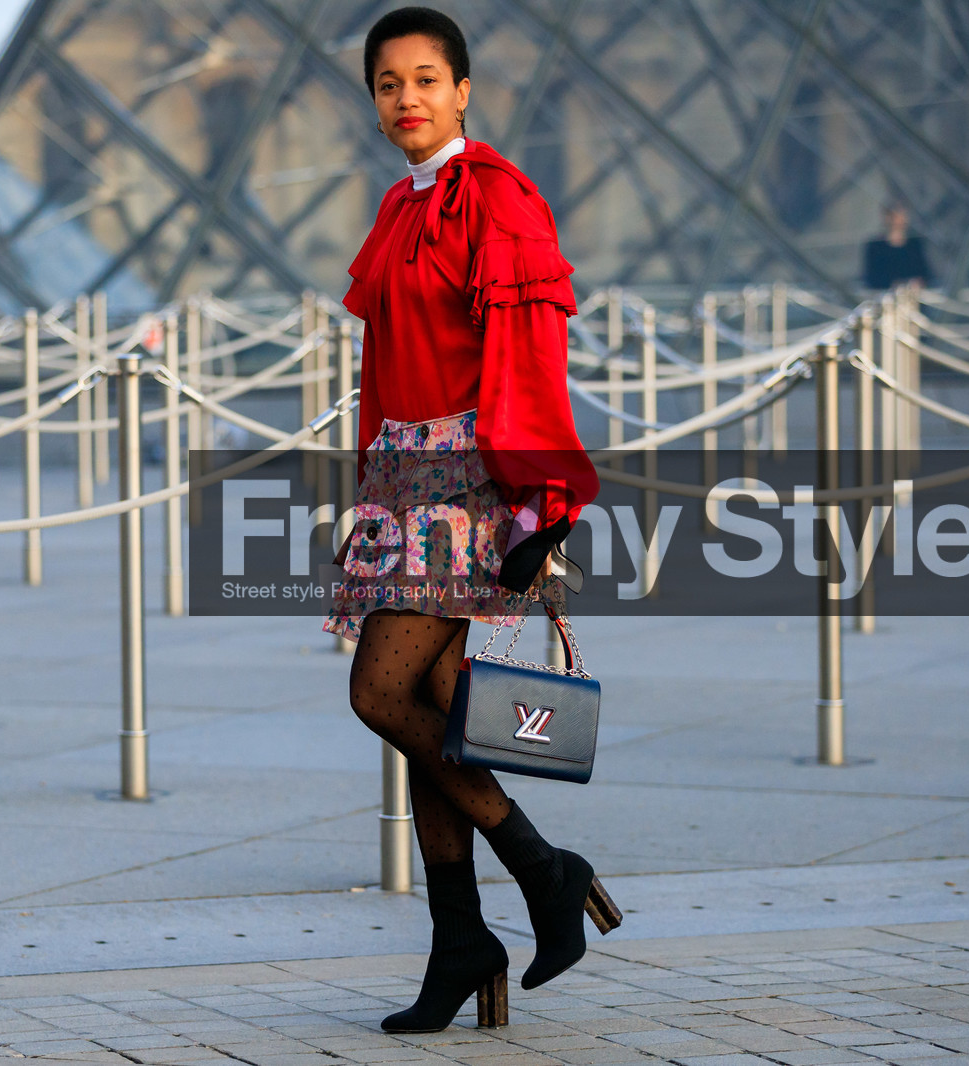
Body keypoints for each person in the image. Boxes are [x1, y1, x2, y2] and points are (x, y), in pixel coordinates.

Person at [322, 6, 615, 1035]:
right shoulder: (401, 208)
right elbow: (381, 364)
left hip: (467, 479)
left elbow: (530, 355)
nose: (407, 98)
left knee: (380, 690)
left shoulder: (494, 197)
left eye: (424, 79)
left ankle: (542, 866)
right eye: (388, 83)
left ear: (462, 88)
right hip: (406, 476)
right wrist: (370, 484)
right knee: (437, 711)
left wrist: (546, 498)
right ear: (373, 100)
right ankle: (460, 941)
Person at [862, 202, 931, 290]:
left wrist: (918, 282)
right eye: (896, 216)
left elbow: (924, 272)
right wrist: (895, 284)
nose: (900, 219)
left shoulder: (915, 244)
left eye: (902, 215)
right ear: (887, 218)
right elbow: (872, 277)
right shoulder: (875, 246)